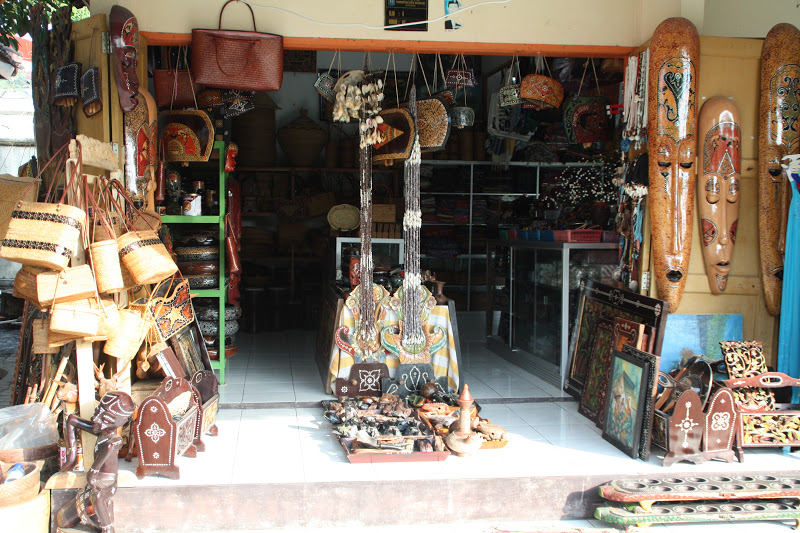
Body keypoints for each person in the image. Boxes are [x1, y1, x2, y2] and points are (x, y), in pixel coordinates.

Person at [56, 391, 136, 533]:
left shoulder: (115, 440)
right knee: (64, 518)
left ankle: (108, 528)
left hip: (107, 481)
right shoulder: (102, 432)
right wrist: (72, 457)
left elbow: (109, 447)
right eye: (98, 411)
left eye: (105, 418)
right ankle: (100, 518)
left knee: (97, 496)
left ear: (121, 421)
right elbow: (72, 420)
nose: (96, 418)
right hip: (94, 481)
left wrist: (93, 471)